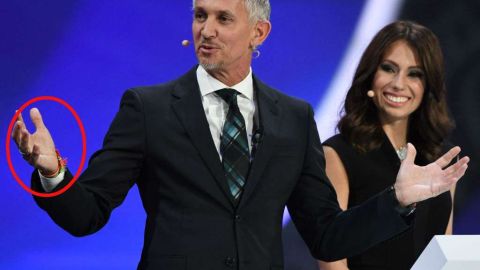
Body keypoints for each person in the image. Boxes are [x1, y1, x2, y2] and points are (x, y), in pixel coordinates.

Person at [12, 1, 468, 269]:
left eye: (223, 19)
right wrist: (52, 171)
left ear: (259, 32)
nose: (206, 29)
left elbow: (327, 237)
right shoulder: (147, 108)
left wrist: (397, 201)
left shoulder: (292, 118)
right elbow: (87, 214)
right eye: (199, 15)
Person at [318, 21, 459, 270]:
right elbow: (332, 259)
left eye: (415, 74)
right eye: (389, 69)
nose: (398, 84)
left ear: (428, 86)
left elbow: (443, 250)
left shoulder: (441, 157)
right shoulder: (338, 154)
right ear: (371, 76)